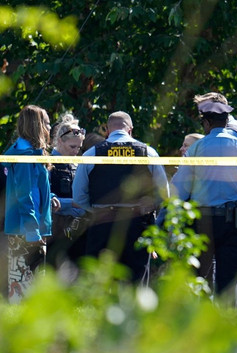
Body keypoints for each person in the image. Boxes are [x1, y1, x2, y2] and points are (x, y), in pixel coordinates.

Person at [170, 98, 237, 300]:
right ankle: (229, 325)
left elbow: (179, 191)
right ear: (226, 120)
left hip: (201, 222)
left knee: (197, 280)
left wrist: (173, 225)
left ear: (206, 123)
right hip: (235, 223)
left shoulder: (195, 150)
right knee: (230, 284)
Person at [72, 111, 169, 283]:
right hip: (137, 225)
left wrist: (98, 209)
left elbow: (78, 197)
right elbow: (164, 194)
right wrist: (150, 205)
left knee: (98, 284)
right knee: (135, 286)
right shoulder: (148, 153)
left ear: (108, 131)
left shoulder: (91, 154)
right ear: (131, 130)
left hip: (102, 225)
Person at [2, 105, 54, 303]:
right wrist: (33, 231)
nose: (50, 128)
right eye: (48, 124)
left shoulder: (33, 152)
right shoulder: (24, 156)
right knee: (24, 294)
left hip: (32, 227)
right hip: (27, 229)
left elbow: (36, 189)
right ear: (37, 126)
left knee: (31, 290)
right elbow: (25, 195)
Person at [47, 114, 88, 276]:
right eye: (72, 147)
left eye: (79, 148)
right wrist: (71, 204)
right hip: (55, 227)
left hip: (76, 227)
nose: (76, 152)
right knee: (53, 270)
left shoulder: (78, 164)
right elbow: (46, 195)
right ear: (59, 141)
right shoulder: (48, 162)